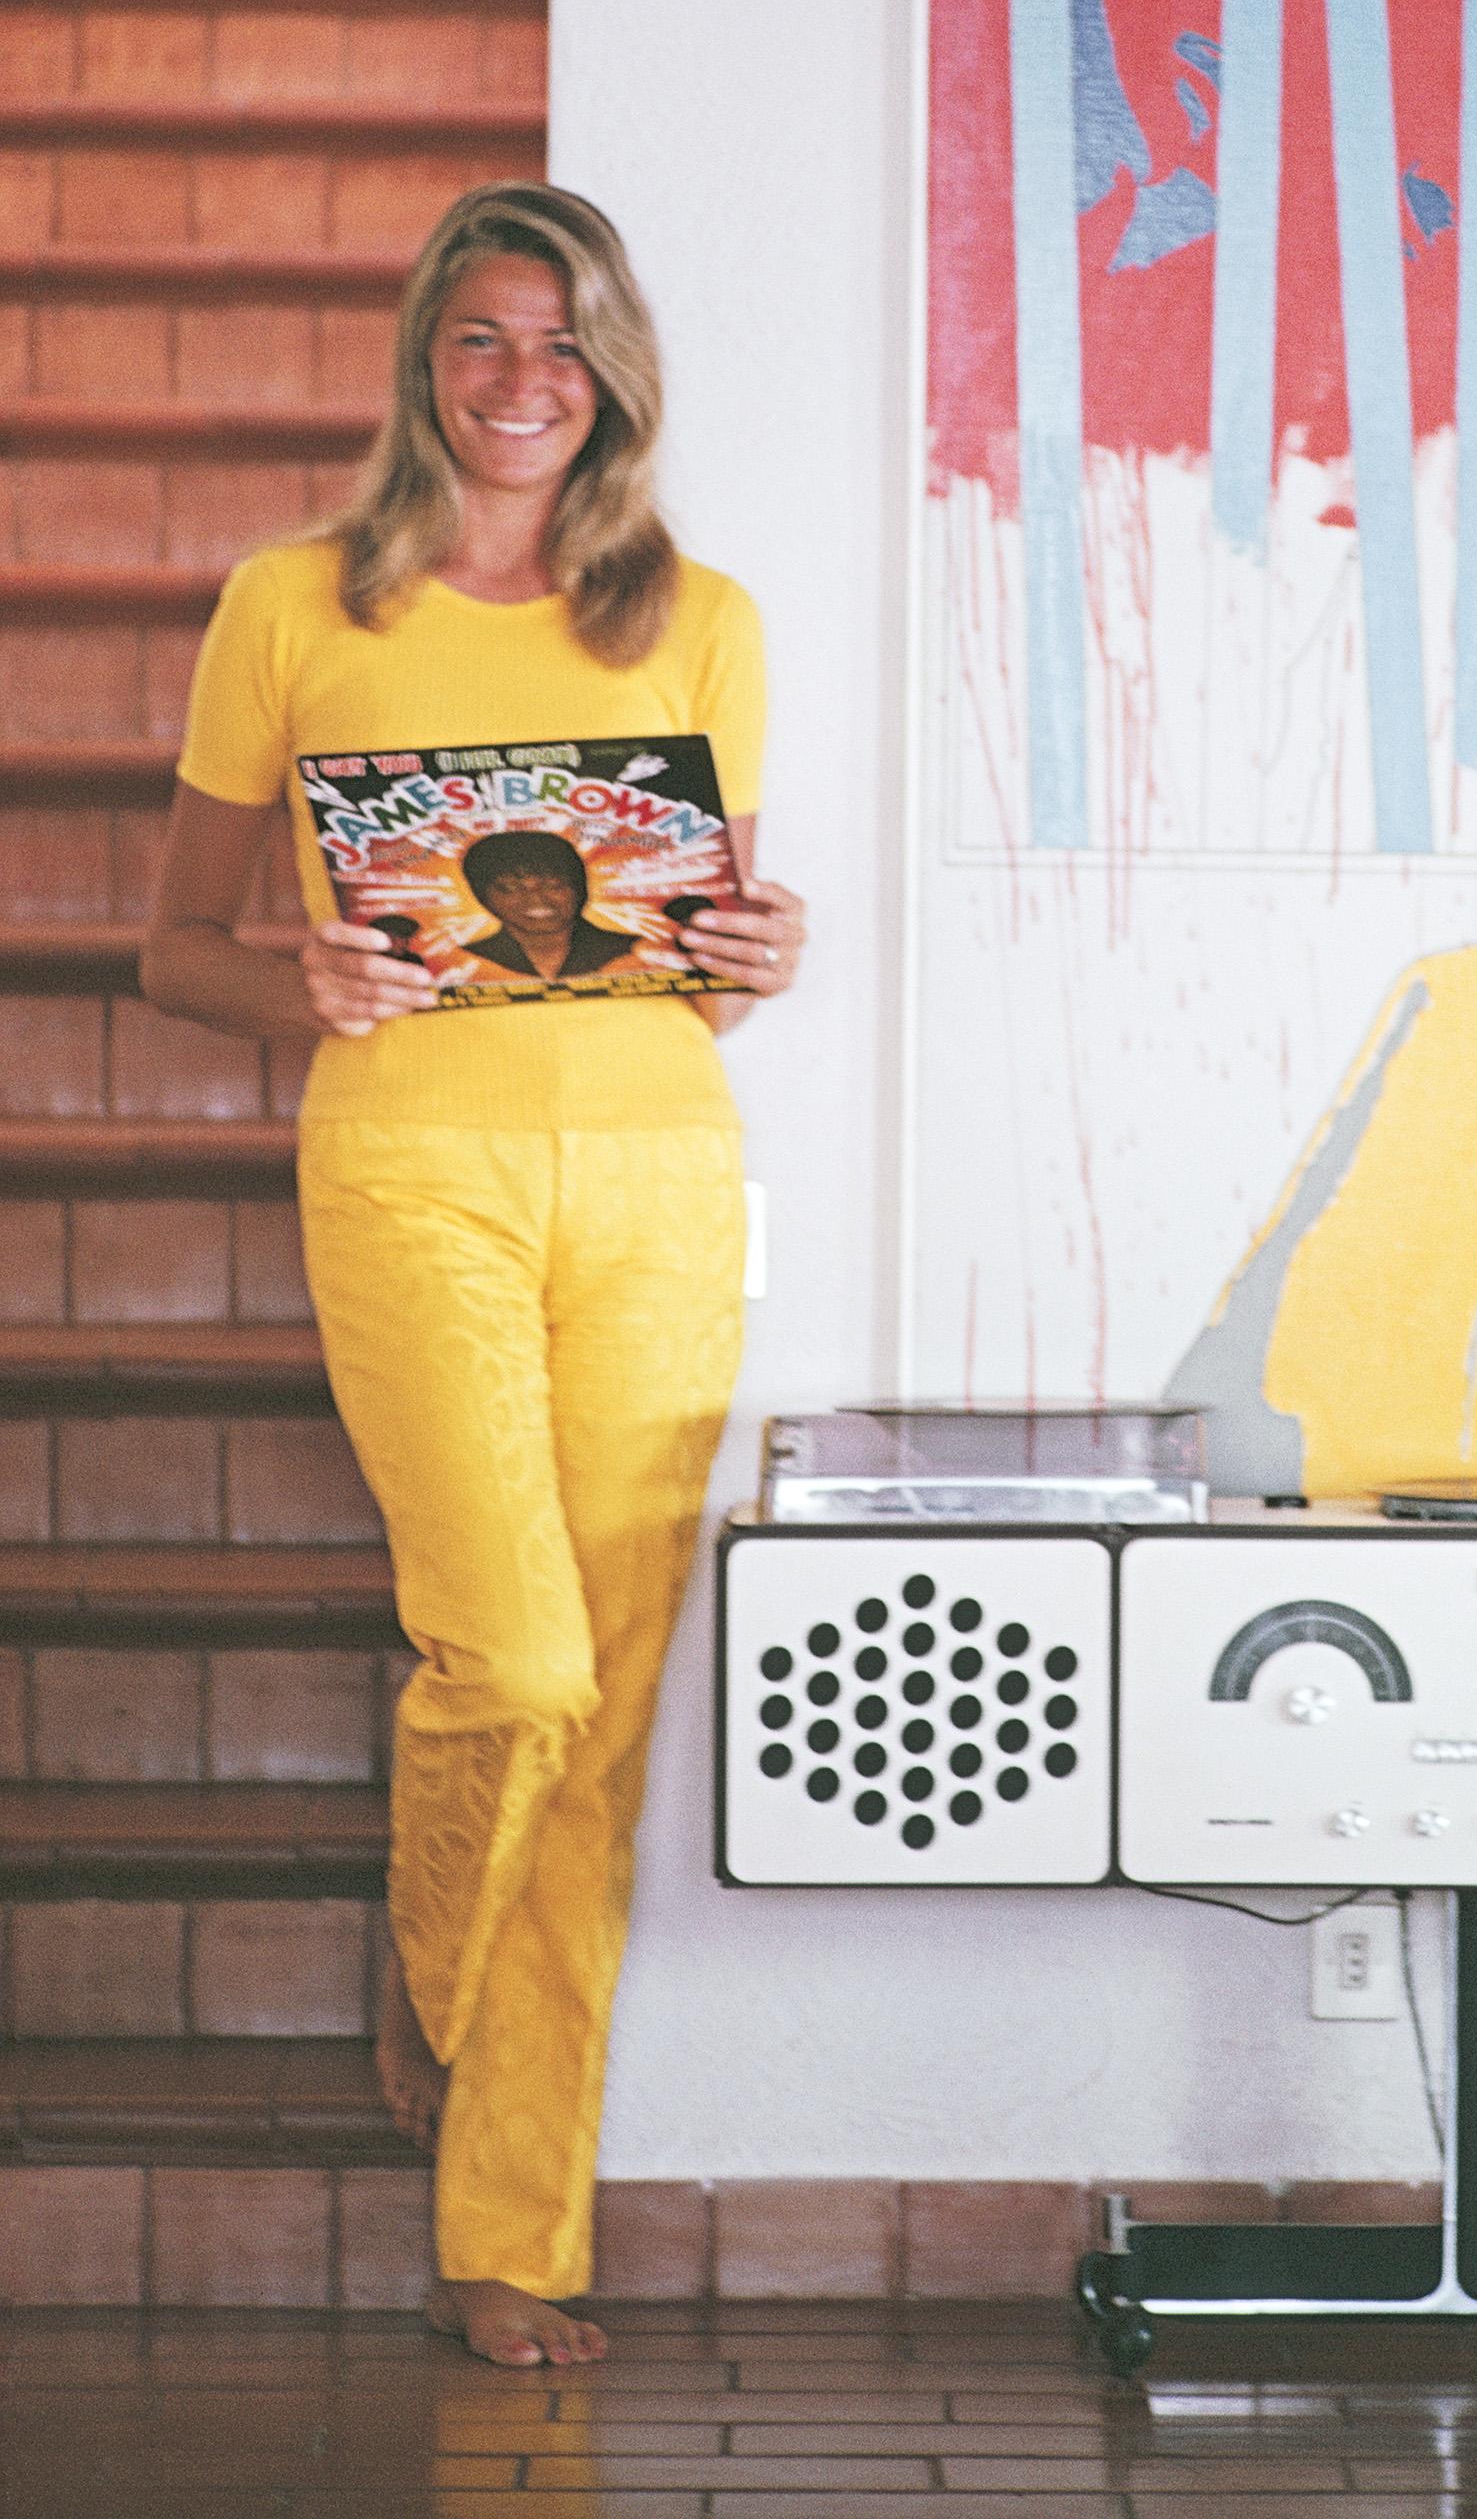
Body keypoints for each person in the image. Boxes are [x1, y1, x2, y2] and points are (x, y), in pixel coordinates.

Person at [141, 182, 806, 2371]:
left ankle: (506, 2226)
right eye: (479, 342)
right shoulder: (292, 603)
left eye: (562, 345)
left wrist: (761, 953)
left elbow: (691, 967)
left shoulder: (693, 615)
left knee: (600, 1733)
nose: (522, 384)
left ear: (614, 370)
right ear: (424, 363)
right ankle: (430, 1972)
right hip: (412, 1167)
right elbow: (170, 947)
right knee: (509, 1665)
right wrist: (288, 972)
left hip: (653, 1178)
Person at [455, 830, 645, 984]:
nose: (536, 899)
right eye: (511, 888)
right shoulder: (465, 959)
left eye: (554, 885)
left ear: (580, 888)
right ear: (481, 896)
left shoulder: (635, 949)